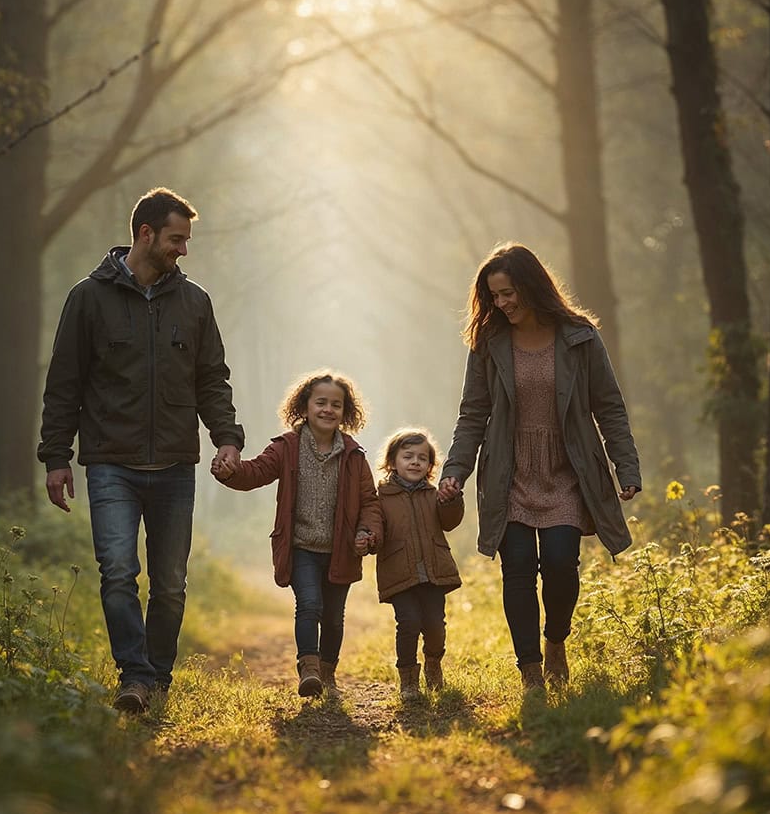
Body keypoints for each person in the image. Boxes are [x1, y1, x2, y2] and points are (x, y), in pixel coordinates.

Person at [38, 186, 244, 715]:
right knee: (118, 573)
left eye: (186, 240)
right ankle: (134, 675)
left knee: (171, 584)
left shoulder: (195, 302)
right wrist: (56, 456)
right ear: (145, 233)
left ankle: (157, 676)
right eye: (176, 238)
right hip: (110, 463)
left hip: (176, 464)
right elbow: (64, 382)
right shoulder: (88, 298)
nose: (183, 249)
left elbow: (211, 379)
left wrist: (227, 437)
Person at [438, 243, 641, 692]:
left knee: (561, 563)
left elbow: (609, 407)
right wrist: (456, 469)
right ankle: (530, 669)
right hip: (508, 472)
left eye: (508, 293)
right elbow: (473, 413)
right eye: (494, 296)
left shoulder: (579, 336)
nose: (502, 303)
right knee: (517, 570)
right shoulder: (490, 344)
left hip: (567, 471)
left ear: (531, 286)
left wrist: (624, 465)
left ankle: (555, 640)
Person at [211, 370, 381, 698]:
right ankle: (310, 668)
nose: (328, 410)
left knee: (333, 619)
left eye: (336, 404)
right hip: (301, 546)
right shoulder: (286, 447)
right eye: (321, 402)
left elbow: (370, 502)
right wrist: (230, 472)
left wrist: (366, 532)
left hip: (341, 550)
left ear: (346, 413)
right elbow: (255, 472)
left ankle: (328, 673)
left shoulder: (354, 456)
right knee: (309, 604)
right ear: (305, 406)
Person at [374, 428, 464, 697]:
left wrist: (452, 501)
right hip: (400, 572)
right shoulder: (381, 498)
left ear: (430, 466)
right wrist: (367, 536)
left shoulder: (434, 494)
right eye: (408, 456)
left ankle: (433, 663)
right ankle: (408, 680)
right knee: (409, 623)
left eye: (422, 458)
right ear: (392, 462)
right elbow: (374, 526)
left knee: (435, 625)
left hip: (434, 572)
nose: (415, 462)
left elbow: (449, 522)